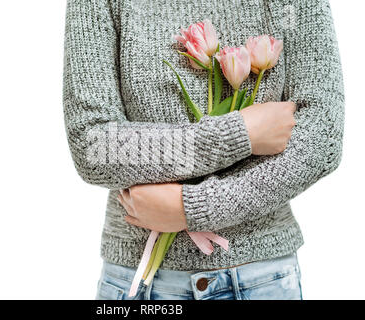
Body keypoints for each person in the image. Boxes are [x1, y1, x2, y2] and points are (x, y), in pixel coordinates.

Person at [63, 0, 344, 300]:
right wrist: (241, 133)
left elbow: (322, 133)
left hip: (260, 278)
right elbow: (92, 143)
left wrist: (192, 207)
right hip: (141, 280)